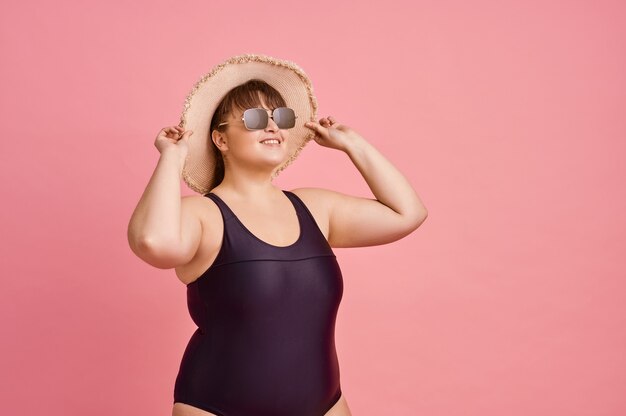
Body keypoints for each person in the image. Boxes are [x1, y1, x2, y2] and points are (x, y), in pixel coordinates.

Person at [127, 54, 428, 416]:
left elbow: (408, 213)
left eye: (281, 117)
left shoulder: (315, 208)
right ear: (220, 138)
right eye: (254, 119)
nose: (273, 127)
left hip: (326, 407)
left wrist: (353, 144)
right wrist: (173, 158)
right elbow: (152, 243)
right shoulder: (203, 214)